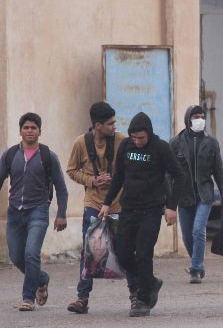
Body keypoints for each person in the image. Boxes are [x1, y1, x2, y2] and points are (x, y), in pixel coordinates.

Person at [100, 112, 186, 317]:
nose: (137, 142)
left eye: (141, 138)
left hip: (152, 210)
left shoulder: (160, 148)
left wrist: (171, 206)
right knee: (123, 254)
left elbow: (179, 176)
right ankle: (151, 282)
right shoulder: (126, 147)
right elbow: (119, 176)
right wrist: (106, 203)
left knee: (144, 253)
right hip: (128, 209)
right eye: (134, 138)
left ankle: (143, 299)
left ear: (149, 134)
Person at [66, 102, 138, 314]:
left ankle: (135, 295)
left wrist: (116, 179)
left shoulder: (123, 141)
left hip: (118, 204)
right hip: (93, 204)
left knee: (126, 250)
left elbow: (134, 163)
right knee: (89, 251)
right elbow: (71, 170)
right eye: (110, 123)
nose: (114, 127)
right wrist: (92, 181)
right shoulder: (81, 143)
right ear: (98, 126)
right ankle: (82, 298)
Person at [0, 113, 68, 312]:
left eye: (33, 128)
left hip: (38, 211)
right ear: (20, 131)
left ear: (40, 131)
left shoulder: (48, 156)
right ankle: (41, 279)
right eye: (26, 128)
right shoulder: (10, 155)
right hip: (14, 212)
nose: (30, 131)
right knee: (16, 256)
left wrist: (61, 214)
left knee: (31, 254)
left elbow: (61, 189)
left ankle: (27, 298)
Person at [170, 105, 223, 284]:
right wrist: (168, 200)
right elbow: (168, 174)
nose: (199, 119)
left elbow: (218, 171)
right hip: (184, 196)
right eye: (195, 116)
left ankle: (196, 269)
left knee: (198, 230)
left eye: (201, 116)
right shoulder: (176, 142)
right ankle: (196, 262)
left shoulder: (211, 142)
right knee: (187, 235)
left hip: (204, 194)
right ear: (188, 119)